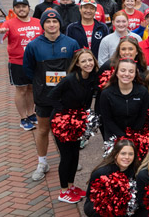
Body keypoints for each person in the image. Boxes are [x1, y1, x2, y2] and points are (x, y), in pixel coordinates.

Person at [23, 9, 80, 181]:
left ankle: (69, 160)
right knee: (43, 129)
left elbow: (77, 66)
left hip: (66, 97)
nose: (52, 25)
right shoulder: (33, 45)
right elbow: (28, 70)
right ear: (43, 25)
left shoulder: (71, 43)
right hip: (44, 96)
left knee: (68, 129)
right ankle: (42, 163)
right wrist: (41, 84)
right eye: (48, 22)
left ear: (60, 24)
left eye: (55, 22)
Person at [46, 48, 98, 203]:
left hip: (77, 121)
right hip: (62, 121)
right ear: (77, 64)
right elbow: (51, 97)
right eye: (84, 61)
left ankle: (71, 185)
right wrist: (63, 113)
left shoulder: (92, 78)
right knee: (66, 156)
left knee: (75, 155)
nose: (88, 63)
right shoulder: (69, 79)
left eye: (90, 60)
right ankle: (63, 191)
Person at [0, 0, 42, 130]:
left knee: (31, 88)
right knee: (21, 89)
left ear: (29, 7)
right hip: (17, 62)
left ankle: (31, 113)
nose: (21, 9)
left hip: (35, 62)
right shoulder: (9, 23)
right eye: (18, 7)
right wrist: (0, 34)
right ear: (14, 9)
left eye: (24, 6)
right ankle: (23, 118)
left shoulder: (38, 22)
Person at [84, 139, 139, 216]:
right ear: (116, 155)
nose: (127, 157)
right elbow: (90, 198)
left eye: (130, 154)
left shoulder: (136, 171)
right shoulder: (102, 173)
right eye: (123, 153)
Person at [99, 58, 149, 139]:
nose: (126, 74)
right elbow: (107, 120)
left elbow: (142, 117)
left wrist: (132, 135)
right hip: (113, 135)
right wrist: (122, 137)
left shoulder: (143, 92)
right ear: (116, 73)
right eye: (122, 70)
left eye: (131, 71)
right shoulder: (106, 93)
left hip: (135, 135)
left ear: (136, 74)